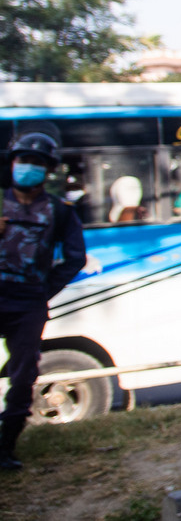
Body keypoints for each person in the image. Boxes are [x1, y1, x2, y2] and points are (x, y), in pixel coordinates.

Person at [1, 133, 86, 470]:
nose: (28, 168)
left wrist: (43, 290)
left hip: (27, 306)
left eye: (36, 163)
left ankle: (6, 448)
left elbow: (75, 258)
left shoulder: (58, 211)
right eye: (23, 161)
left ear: (48, 170)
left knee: (23, 378)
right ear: (12, 163)